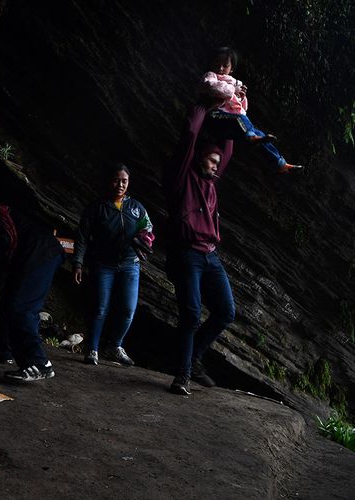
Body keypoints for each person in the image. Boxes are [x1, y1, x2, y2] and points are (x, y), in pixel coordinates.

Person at [162, 105, 237, 395]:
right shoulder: (182, 178)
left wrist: (234, 112)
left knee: (226, 311)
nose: (217, 165)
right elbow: (190, 136)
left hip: (210, 255)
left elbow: (227, 152)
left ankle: (193, 358)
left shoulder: (212, 184)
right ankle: (182, 375)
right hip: (187, 254)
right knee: (191, 314)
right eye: (212, 161)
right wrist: (203, 107)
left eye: (218, 163)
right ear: (200, 159)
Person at [0, 204, 64, 382]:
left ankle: (39, 363)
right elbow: (0, 265)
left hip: (40, 253)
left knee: (21, 306)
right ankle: (2, 350)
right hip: (33, 252)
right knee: (8, 301)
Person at [73, 164, 154, 367]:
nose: (120, 184)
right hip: (103, 264)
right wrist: (78, 263)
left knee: (127, 309)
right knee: (100, 308)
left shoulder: (136, 207)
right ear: (109, 181)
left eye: (124, 181)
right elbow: (82, 237)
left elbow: (149, 228)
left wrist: (144, 237)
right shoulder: (96, 207)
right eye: (116, 180)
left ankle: (115, 346)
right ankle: (92, 349)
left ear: (129, 183)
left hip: (130, 265)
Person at [199, 46, 304, 174]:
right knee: (242, 122)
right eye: (217, 64)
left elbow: (242, 110)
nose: (220, 68)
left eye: (225, 66)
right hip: (214, 116)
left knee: (259, 133)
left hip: (228, 122)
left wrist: (241, 98)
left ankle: (280, 163)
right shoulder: (211, 76)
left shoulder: (234, 82)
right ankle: (251, 137)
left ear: (231, 69)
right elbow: (210, 87)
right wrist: (233, 90)